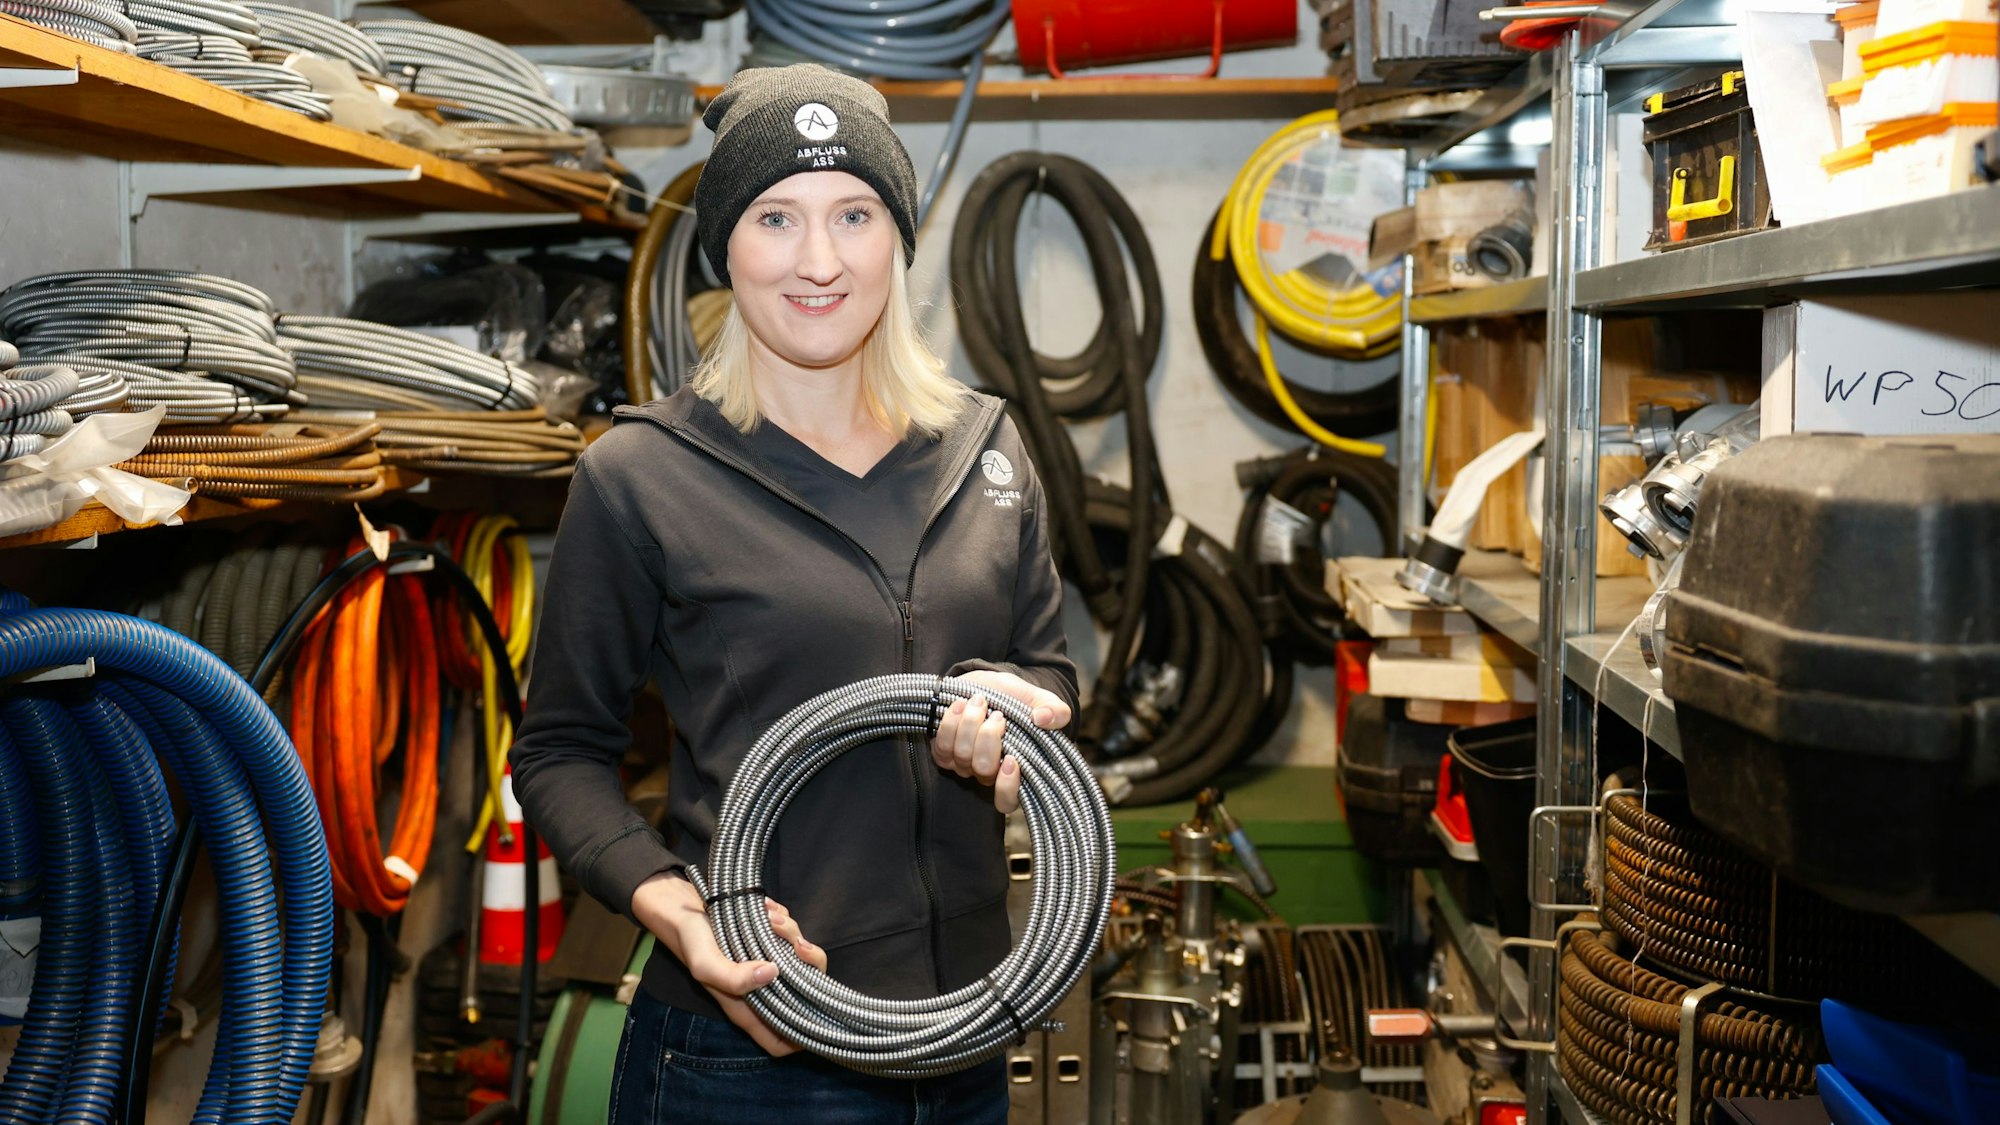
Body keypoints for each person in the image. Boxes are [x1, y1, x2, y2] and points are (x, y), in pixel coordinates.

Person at [510, 63, 1078, 1125]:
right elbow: (557, 756)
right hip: (748, 1048)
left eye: (853, 214)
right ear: (725, 246)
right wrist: (682, 915)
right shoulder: (640, 475)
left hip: (962, 1038)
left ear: (897, 240)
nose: (818, 261)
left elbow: (1045, 667)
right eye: (775, 217)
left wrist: (1019, 717)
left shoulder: (986, 448)